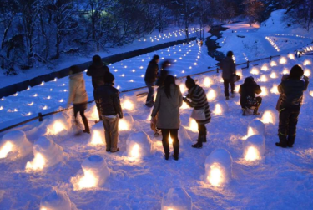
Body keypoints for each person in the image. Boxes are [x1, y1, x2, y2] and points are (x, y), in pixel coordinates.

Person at [275, 65, 309, 148]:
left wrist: (283, 79)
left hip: (285, 106)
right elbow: (306, 83)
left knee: (283, 124)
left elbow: (279, 89)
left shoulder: (285, 83)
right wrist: (305, 78)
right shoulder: (302, 83)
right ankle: (290, 142)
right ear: (300, 74)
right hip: (296, 107)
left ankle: (282, 142)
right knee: (292, 124)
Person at [151, 75, 183, 161]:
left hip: (163, 118)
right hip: (174, 118)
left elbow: (156, 104)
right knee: (175, 137)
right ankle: (176, 155)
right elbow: (180, 103)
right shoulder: (177, 89)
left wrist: (153, 114)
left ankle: (167, 155)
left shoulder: (161, 90)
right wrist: (174, 107)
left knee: (165, 137)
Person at [94, 72, 123, 153]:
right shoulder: (114, 91)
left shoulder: (98, 90)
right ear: (112, 80)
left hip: (104, 113)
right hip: (113, 114)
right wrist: (120, 113)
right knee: (114, 131)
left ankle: (108, 147)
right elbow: (117, 104)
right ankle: (113, 148)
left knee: (106, 130)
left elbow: (97, 101)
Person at [184, 76, 211, 148]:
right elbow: (193, 96)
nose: (186, 86)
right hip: (203, 108)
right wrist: (187, 96)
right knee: (202, 125)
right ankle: (203, 138)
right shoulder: (197, 88)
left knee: (200, 126)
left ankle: (200, 142)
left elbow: (193, 104)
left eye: (186, 85)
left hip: (201, 110)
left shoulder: (195, 92)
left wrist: (186, 101)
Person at [67, 65, 90, 134]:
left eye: (70, 71)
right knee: (82, 114)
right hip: (84, 98)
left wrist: (68, 103)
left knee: (75, 115)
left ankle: (77, 130)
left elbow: (72, 93)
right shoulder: (80, 77)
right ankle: (87, 129)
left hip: (77, 100)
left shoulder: (72, 81)